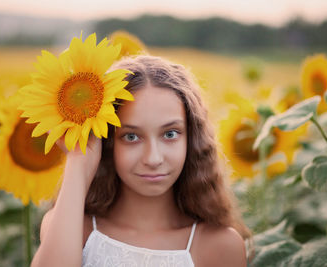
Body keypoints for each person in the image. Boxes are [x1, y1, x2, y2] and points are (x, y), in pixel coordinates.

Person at [31, 55, 250, 267]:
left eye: (170, 134)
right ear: (108, 142)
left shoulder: (219, 246)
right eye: (131, 136)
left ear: (191, 139)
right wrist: (78, 160)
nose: (153, 158)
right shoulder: (74, 230)